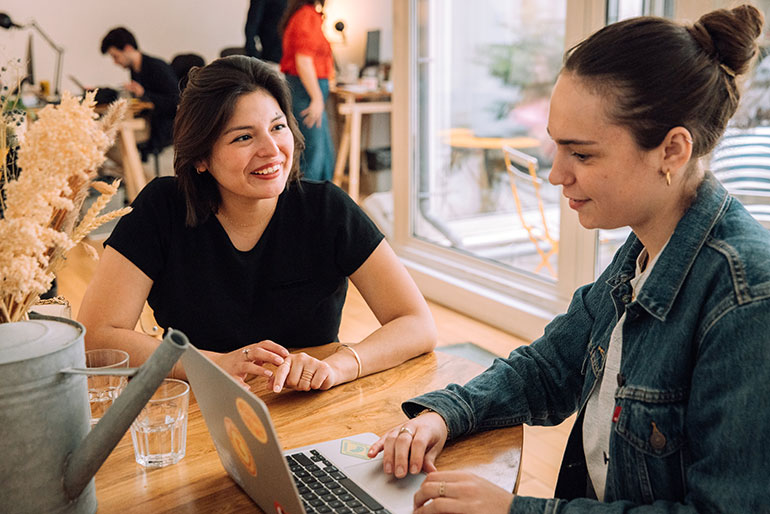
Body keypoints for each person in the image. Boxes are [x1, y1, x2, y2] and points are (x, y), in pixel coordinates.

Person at [370, 5, 770, 513]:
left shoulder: (747, 302)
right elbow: (550, 366)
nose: (556, 174)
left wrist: (517, 510)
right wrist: (444, 416)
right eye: (557, 147)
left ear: (672, 150)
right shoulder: (646, 248)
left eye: (582, 154)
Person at [78, 55, 437, 393]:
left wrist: (340, 366)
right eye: (244, 137)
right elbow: (98, 335)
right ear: (201, 157)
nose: (272, 149)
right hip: (200, 404)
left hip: (308, 404)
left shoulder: (326, 209)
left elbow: (416, 323)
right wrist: (212, 364)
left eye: (277, 127)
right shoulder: (161, 208)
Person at [100, 27, 179, 160]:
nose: (115, 62)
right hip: (147, 121)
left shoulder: (157, 67)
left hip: (160, 126)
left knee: (110, 144)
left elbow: (175, 101)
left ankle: (140, 179)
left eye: (116, 56)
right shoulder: (135, 70)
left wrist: (143, 93)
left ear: (128, 49)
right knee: (104, 139)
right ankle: (133, 177)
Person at [279, 0, 335, 181]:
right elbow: (303, 60)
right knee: (313, 157)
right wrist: (317, 98)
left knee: (323, 155)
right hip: (307, 94)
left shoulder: (304, 14)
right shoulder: (306, 16)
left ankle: (324, 204)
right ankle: (308, 206)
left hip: (308, 92)